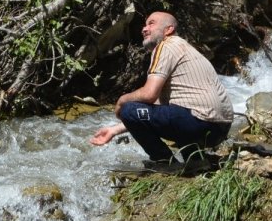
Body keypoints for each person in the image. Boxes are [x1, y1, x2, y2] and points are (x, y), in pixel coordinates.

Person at [90, 11, 234, 170]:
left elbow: (149, 95)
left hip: (198, 123)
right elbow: (156, 111)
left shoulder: (166, 46)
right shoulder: (186, 49)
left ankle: (165, 162)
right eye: (145, 25)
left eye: (151, 23)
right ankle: (197, 161)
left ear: (168, 30)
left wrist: (121, 101)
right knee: (172, 113)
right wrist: (114, 130)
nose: (144, 29)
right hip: (220, 128)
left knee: (129, 108)